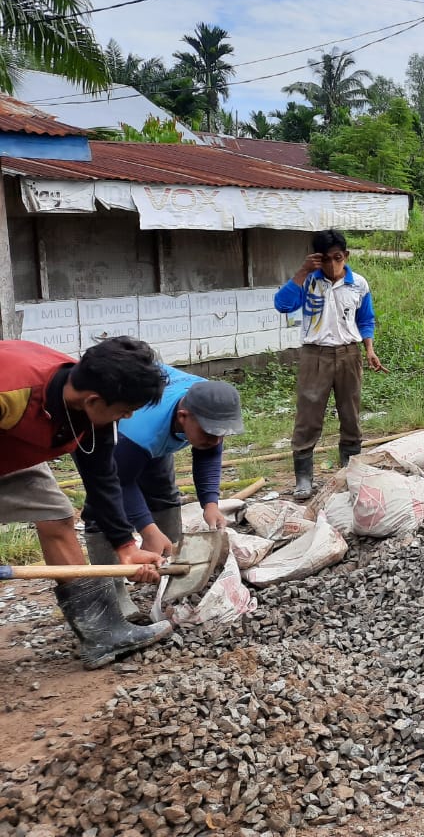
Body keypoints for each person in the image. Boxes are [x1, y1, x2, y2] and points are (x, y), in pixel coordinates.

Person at [0, 337, 171, 669]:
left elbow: (101, 474)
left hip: (12, 448)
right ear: (93, 401)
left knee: (57, 516)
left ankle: (103, 634)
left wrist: (125, 545)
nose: (128, 416)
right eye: (124, 411)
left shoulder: (91, 401)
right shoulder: (11, 391)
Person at [84, 370, 244, 619]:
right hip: (107, 427)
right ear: (183, 417)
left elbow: (209, 454)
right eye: (209, 434)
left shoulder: (211, 405)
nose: (216, 440)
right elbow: (119, 482)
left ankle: (165, 576)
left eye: (220, 434)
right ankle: (113, 593)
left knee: (163, 492)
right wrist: (148, 529)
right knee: (102, 507)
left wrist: (210, 503)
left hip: (153, 431)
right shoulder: (142, 431)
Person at [274, 229, 385, 500]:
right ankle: (303, 478)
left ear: (345, 256)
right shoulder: (307, 282)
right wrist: (302, 272)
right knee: (308, 416)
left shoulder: (358, 283)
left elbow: (366, 319)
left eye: (338, 258)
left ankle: (350, 471)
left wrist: (369, 349)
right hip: (315, 354)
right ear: (316, 259)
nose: (333, 265)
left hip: (350, 354)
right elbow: (282, 305)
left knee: (351, 413)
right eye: (325, 259)